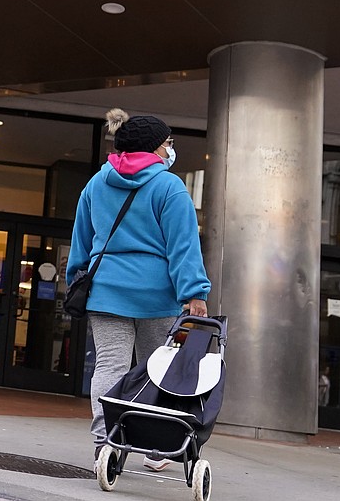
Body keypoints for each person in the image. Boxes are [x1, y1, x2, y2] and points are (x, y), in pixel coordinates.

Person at [67, 109, 211, 473]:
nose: (171, 150)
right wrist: (195, 293)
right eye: (168, 143)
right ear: (153, 147)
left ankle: (105, 443)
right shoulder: (169, 187)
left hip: (105, 291)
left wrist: (76, 279)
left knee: (109, 366)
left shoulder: (96, 184)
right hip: (156, 294)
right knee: (158, 370)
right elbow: (183, 246)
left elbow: (81, 240)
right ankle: (156, 445)